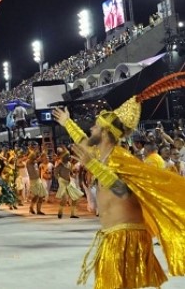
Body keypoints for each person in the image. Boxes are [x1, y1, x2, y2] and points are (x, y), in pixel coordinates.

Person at [52, 72, 185, 289]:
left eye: (95, 126)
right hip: (115, 235)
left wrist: (92, 165)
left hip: (126, 236)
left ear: (105, 132)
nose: (91, 129)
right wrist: (67, 123)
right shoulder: (102, 155)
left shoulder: (120, 158)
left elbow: (123, 190)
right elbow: (84, 143)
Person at [54, 150, 84, 219]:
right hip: (62, 182)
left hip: (69, 182)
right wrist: (59, 179)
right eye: (67, 155)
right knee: (64, 198)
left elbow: (71, 172)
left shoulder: (69, 164)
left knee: (75, 197)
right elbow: (55, 174)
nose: (69, 157)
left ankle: (73, 214)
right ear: (64, 156)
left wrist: (73, 174)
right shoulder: (60, 164)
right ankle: (60, 212)